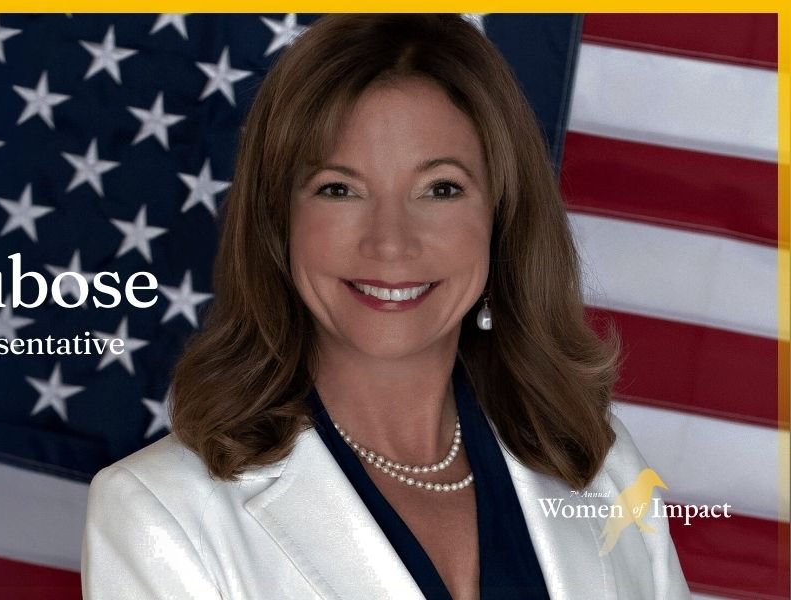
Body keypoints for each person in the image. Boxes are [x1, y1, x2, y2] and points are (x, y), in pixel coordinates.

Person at [82, 14, 691, 600]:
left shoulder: (596, 460)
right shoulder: (159, 513)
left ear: (501, 218)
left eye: (441, 188)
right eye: (339, 189)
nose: (390, 242)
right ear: (278, 224)